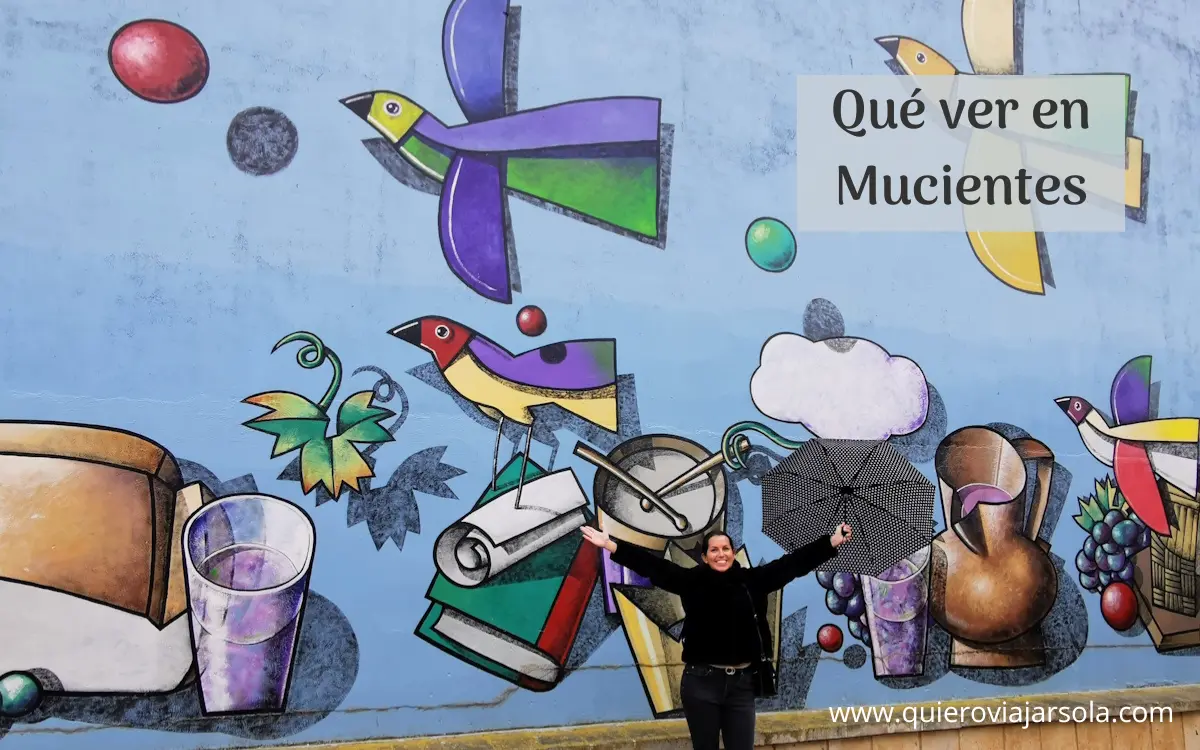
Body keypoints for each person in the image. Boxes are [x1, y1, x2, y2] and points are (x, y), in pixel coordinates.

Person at [581, 523, 852, 750]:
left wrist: (831, 542)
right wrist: (611, 545)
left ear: (733, 553)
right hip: (701, 683)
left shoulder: (753, 581)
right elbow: (653, 567)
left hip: (742, 686)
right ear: (705, 556)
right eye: (714, 550)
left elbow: (792, 564)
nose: (721, 554)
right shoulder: (691, 582)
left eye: (725, 549)